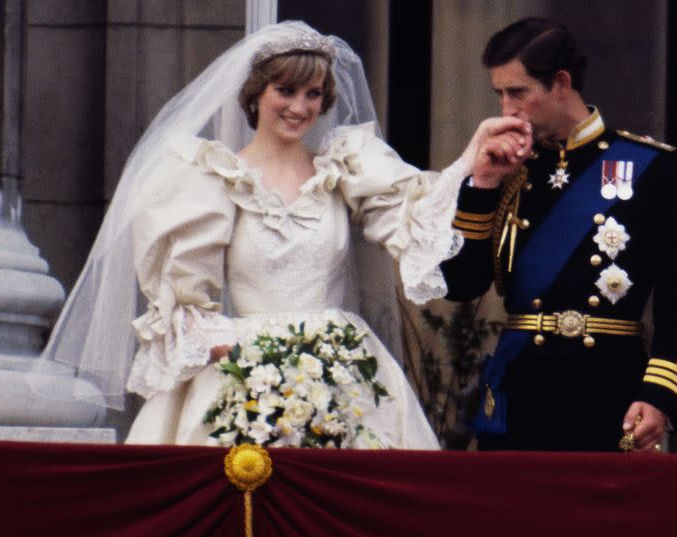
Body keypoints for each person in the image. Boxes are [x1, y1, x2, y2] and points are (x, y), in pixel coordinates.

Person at [34, 21, 522, 449]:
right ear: (255, 94)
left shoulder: (345, 167)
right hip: (244, 372)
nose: (300, 107)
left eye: (313, 94)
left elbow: (416, 221)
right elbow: (186, 305)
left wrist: (470, 167)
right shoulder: (210, 178)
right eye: (285, 91)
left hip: (344, 371)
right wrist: (261, 370)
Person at [441, 17, 677, 452]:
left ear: (561, 82)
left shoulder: (650, 167)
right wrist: (482, 187)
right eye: (500, 94)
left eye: (518, 93)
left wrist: (659, 396)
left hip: (608, 393)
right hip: (520, 394)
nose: (506, 109)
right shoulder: (506, 169)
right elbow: (459, 284)